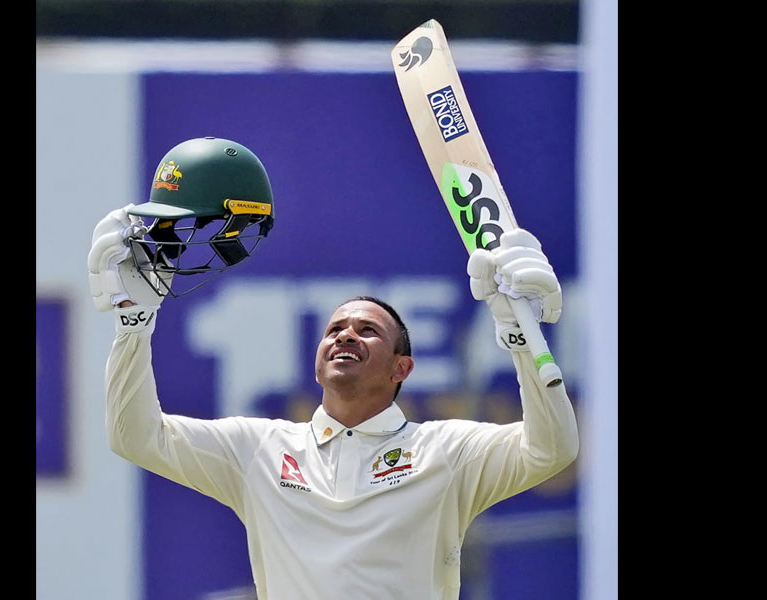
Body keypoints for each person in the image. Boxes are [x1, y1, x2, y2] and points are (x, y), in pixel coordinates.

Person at [88, 137, 578, 600]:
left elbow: (550, 449)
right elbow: (134, 436)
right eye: (334, 329)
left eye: (368, 331)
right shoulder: (257, 450)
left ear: (400, 368)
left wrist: (520, 339)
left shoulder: (446, 452)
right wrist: (133, 324)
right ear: (318, 362)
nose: (345, 335)